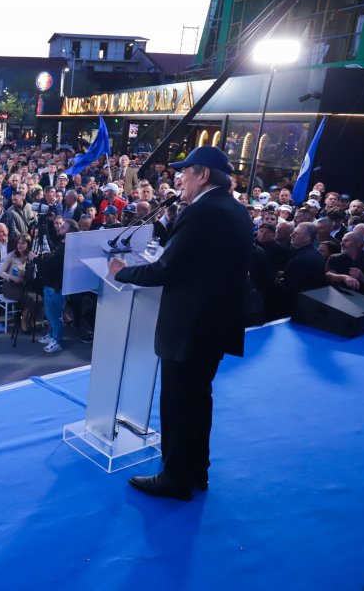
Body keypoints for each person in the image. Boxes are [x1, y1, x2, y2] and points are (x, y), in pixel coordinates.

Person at [108, 146, 254, 501]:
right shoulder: (236, 209)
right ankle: (196, 470)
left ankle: (175, 478)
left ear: (203, 175)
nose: (179, 179)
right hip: (214, 324)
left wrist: (122, 271)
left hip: (189, 327)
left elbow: (165, 269)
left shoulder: (202, 212)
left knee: (178, 403)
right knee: (198, 399)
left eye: (185, 172)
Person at [38, 219, 77, 353]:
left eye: (64, 227)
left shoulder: (64, 250)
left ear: (70, 233)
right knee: (50, 314)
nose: (60, 227)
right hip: (50, 285)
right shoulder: (60, 245)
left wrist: (36, 259)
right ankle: (51, 334)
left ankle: (57, 341)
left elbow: (49, 266)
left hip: (56, 288)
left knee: (55, 317)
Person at [324, 231, 364, 298]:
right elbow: (327, 275)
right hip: (336, 297)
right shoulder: (335, 258)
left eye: (346, 241)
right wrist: (344, 277)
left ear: (359, 244)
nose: (341, 243)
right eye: (342, 240)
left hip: (360, 300)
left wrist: (363, 278)